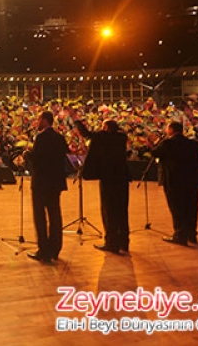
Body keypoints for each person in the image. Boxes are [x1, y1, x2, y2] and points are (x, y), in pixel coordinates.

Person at [75, 119, 130, 254]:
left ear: (106, 127)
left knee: (109, 211)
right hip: (122, 178)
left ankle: (111, 243)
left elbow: (87, 134)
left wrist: (77, 121)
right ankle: (124, 242)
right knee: (122, 211)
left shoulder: (104, 137)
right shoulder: (122, 137)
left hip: (109, 178)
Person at [24, 110, 71, 263]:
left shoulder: (41, 138)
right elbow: (65, 156)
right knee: (55, 215)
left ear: (45, 120)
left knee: (40, 217)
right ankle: (55, 249)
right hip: (56, 183)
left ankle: (43, 250)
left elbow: (37, 159)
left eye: (38, 119)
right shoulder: (59, 138)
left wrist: (27, 154)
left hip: (41, 183)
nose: (37, 123)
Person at [151, 122, 198, 246]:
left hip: (174, 181)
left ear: (171, 130)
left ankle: (180, 235)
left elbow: (154, 153)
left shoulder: (167, 143)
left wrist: (159, 141)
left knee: (177, 207)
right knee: (191, 207)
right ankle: (191, 234)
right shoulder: (193, 144)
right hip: (192, 181)